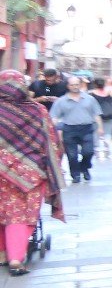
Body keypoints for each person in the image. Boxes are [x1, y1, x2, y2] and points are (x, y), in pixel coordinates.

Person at [0, 70, 65, 275]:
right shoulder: (38, 111)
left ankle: (2, 253)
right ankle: (15, 259)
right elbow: (52, 143)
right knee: (20, 215)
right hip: (30, 174)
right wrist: (54, 166)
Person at [49, 77, 100, 185]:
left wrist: (100, 128)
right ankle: (75, 174)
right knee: (72, 155)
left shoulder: (89, 99)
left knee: (89, 152)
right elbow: (54, 116)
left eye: (76, 84)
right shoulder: (61, 101)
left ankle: (84, 167)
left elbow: (96, 114)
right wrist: (52, 129)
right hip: (69, 129)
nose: (75, 87)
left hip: (86, 128)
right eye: (72, 85)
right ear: (68, 86)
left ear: (80, 85)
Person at [89, 78, 112, 161]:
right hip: (109, 116)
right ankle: (107, 151)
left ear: (95, 84)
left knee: (95, 134)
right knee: (108, 134)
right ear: (104, 84)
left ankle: (96, 152)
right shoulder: (111, 92)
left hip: (95, 116)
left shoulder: (91, 93)